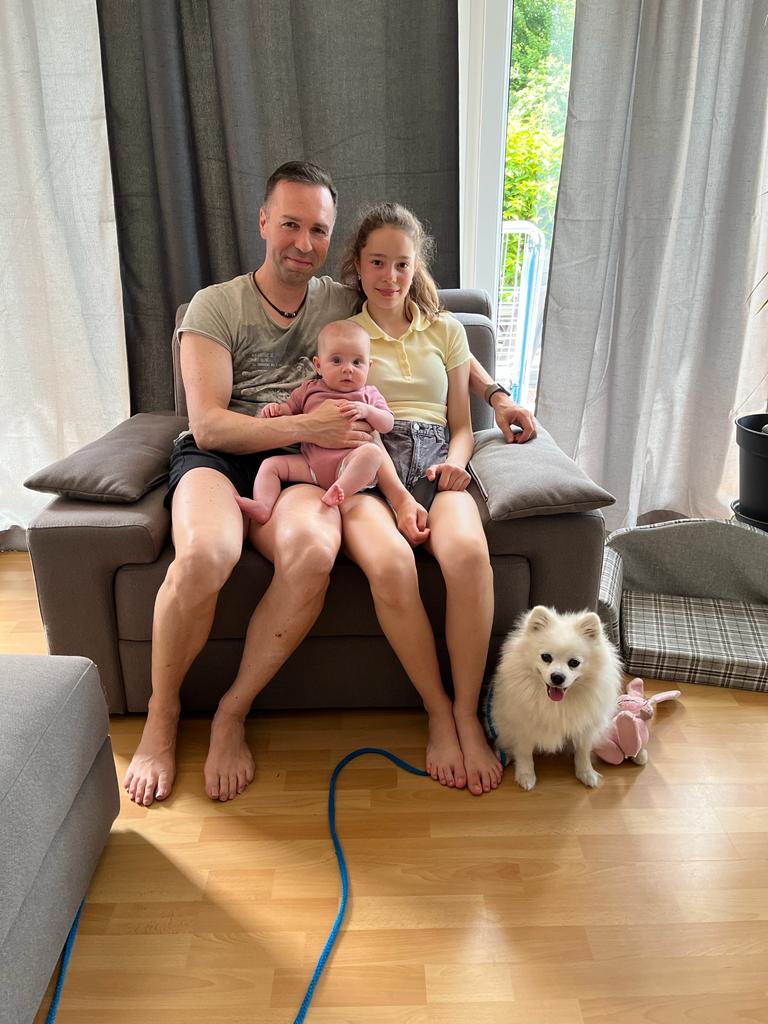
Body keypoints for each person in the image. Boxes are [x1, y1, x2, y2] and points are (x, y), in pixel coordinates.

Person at [123, 160, 536, 807]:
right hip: (230, 454)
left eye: (317, 229)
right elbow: (207, 425)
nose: (303, 241)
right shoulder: (217, 305)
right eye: (290, 224)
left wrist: (499, 395)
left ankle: (232, 711)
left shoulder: (338, 302)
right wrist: (309, 422)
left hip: (311, 462)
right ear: (264, 221)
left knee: (315, 551)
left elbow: (437, 330)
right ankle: (162, 714)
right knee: (206, 554)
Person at [335, 202, 507, 795]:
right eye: (377, 263)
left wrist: (455, 464)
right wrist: (393, 493)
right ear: (358, 265)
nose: (390, 277)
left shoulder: (446, 331)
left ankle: (466, 713)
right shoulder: (346, 335)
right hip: (370, 465)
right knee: (391, 564)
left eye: (402, 264)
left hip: (437, 458)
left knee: (468, 557)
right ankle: (438, 711)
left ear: (417, 266)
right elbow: (343, 421)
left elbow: (462, 423)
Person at [235, 320, 393, 522]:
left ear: (369, 366)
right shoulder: (309, 389)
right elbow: (288, 411)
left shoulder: (369, 394)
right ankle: (263, 505)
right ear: (318, 365)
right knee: (270, 465)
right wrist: (276, 410)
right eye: (336, 361)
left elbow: (387, 424)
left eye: (357, 362)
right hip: (311, 465)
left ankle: (338, 491)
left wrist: (368, 411)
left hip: (349, 465)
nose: (348, 369)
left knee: (373, 453)